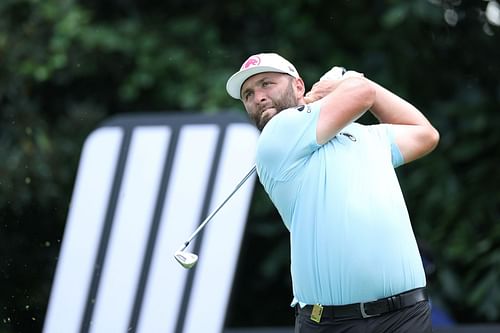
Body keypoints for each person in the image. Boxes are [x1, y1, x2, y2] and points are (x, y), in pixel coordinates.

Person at [226, 53, 440, 333]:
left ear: (299, 86)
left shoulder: (365, 136)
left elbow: (425, 134)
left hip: (406, 316)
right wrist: (349, 81)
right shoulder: (275, 136)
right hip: (333, 323)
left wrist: (351, 86)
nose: (258, 97)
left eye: (267, 83)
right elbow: (362, 93)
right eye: (248, 94)